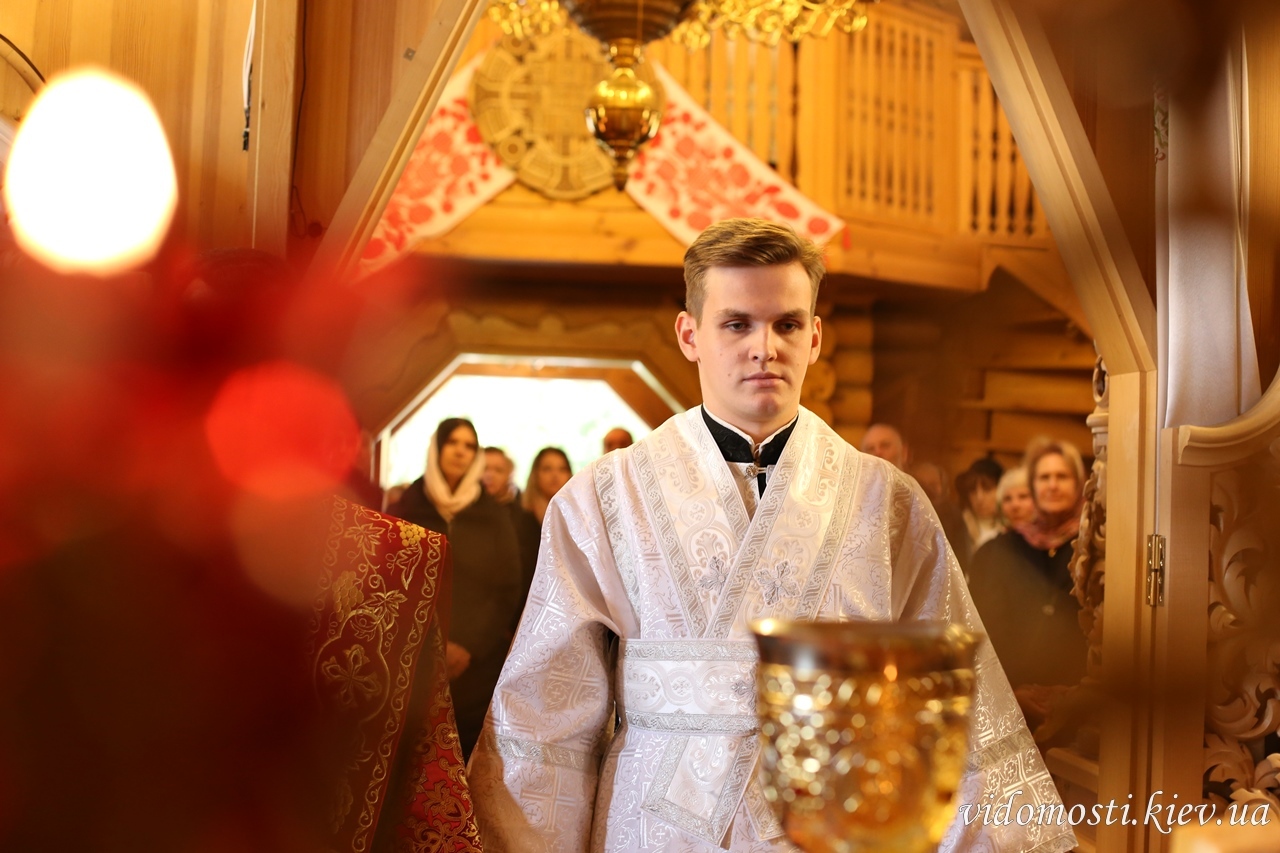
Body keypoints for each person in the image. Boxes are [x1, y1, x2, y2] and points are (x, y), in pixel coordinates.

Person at [468, 219, 1073, 853]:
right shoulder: (603, 497)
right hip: (656, 829)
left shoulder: (888, 502)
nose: (765, 347)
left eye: (786, 324)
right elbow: (547, 719)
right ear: (690, 335)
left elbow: (952, 703)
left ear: (815, 337)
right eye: (737, 324)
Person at [386, 418, 524, 760]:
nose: (461, 452)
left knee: (464, 756)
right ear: (437, 448)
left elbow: (507, 587)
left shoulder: (492, 515)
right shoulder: (407, 506)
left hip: (474, 662)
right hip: (413, 656)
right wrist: (429, 644)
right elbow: (390, 579)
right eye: (453, 442)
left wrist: (468, 646)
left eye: (469, 445)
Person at [968, 440, 1089, 730]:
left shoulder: (1095, 548)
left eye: (1062, 476)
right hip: (1009, 704)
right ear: (1033, 485)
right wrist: (1010, 691)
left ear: (1078, 484)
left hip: (1080, 708)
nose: (1052, 485)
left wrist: (1076, 695)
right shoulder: (997, 551)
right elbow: (982, 629)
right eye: (1044, 477)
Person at [485, 445, 541, 604]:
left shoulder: (523, 517)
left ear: (509, 475)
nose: (490, 475)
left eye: (498, 470)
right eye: (485, 468)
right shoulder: (463, 513)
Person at [956, 457, 1004, 551]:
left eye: (987, 489)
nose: (979, 498)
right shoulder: (959, 526)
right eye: (973, 490)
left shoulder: (1012, 525)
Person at [521, 446, 573, 526]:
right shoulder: (520, 517)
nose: (555, 475)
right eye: (547, 469)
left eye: (562, 469)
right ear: (536, 474)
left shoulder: (577, 517)